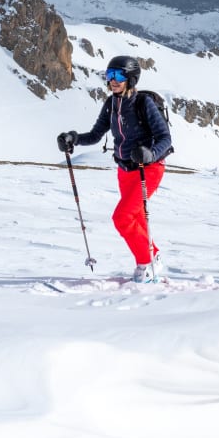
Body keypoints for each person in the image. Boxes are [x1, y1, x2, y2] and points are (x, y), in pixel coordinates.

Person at [57, 56, 172, 283]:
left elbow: (165, 138)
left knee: (122, 217)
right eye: (109, 76)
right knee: (136, 217)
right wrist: (73, 138)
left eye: (118, 76)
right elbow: (95, 135)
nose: (113, 81)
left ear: (131, 78)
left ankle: (145, 264)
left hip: (147, 168)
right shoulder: (111, 104)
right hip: (124, 170)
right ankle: (154, 254)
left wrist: (151, 154)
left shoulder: (143, 104)